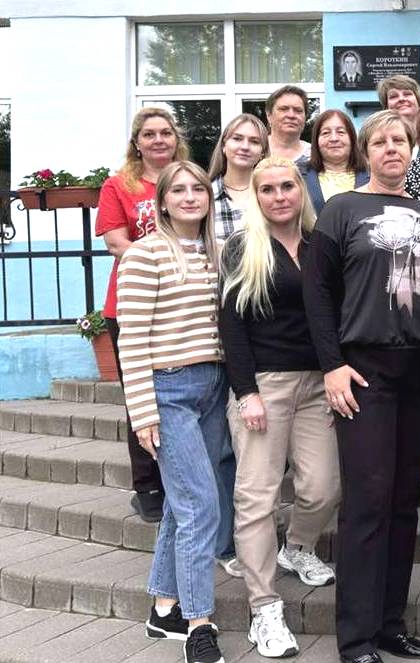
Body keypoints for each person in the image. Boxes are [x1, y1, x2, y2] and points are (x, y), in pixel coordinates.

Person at [303, 110, 420, 663]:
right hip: (363, 371)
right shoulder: (341, 210)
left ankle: (389, 624)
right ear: (365, 152)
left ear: (411, 149)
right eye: (379, 141)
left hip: (419, 371)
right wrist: (332, 364)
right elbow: (317, 292)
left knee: (404, 503)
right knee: (367, 503)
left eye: (399, 140)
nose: (391, 149)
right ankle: (356, 638)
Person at [219, 157, 339, 659]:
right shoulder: (243, 247)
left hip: (318, 383)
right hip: (264, 384)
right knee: (257, 498)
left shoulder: (319, 245)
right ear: (257, 197)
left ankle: (298, 547)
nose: (279, 196)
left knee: (324, 486)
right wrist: (245, 391)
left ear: (301, 190)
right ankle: (264, 608)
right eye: (267, 189)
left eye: (287, 186)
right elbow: (231, 325)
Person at [117, 160, 228, 663]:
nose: (189, 197)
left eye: (197, 189)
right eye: (178, 190)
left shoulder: (216, 251)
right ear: (161, 201)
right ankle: (198, 623)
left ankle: (164, 608)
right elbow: (132, 340)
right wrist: (142, 411)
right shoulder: (145, 254)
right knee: (201, 505)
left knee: (183, 505)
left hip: (212, 386)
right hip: (169, 391)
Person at [96, 107, 188, 523]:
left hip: (182, 301)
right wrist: (166, 263)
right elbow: (117, 242)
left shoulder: (187, 178)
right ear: (137, 142)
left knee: (179, 390)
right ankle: (147, 486)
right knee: (141, 394)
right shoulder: (119, 185)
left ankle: (178, 479)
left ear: (175, 138)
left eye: (165, 132)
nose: (158, 140)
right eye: (149, 134)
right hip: (131, 303)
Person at [208, 113, 270, 240]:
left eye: (254, 141)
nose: (245, 147)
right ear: (224, 146)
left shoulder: (274, 194)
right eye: (237, 139)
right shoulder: (205, 194)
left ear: (262, 153)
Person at [301, 109, 370, 216]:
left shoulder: (372, 174)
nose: (334, 138)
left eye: (341, 132)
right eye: (325, 133)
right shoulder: (299, 175)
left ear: (352, 138)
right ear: (316, 140)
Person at [266, 85, 311, 162]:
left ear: (305, 117)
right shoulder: (254, 150)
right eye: (283, 109)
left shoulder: (315, 155)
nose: (291, 115)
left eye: (298, 110)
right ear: (269, 115)